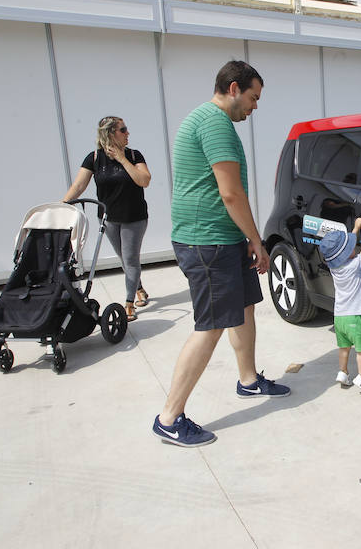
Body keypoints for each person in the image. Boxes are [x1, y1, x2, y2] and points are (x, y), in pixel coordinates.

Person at [152, 61, 289, 448]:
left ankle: (248, 380)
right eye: (253, 97)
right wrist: (257, 240)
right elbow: (230, 193)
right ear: (233, 88)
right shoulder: (214, 125)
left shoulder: (206, 120)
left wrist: (243, 238)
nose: (255, 107)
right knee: (211, 325)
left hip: (222, 237)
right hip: (207, 241)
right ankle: (169, 417)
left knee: (243, 307)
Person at [63, 116, 151, 322]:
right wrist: (64, 204)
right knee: (125, 259)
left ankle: (129, 303)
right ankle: (139, 289)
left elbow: (144, 180)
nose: (128, 133)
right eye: (123, 129)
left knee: (130, 259)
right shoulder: (94, 158)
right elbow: (79, 186)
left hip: (134, 217)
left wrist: (122, 159)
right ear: (111, 133)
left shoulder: (133, 155)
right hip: (109, 219)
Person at [319, 217, 361, 397]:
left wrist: (355, 228)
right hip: (355, 317)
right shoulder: (354, 265)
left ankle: (343, 373)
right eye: (352, 248)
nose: (355, 248)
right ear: (347, 254)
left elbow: (345, 249)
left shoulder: (334, 268)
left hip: (340, 317)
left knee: (344, 348)